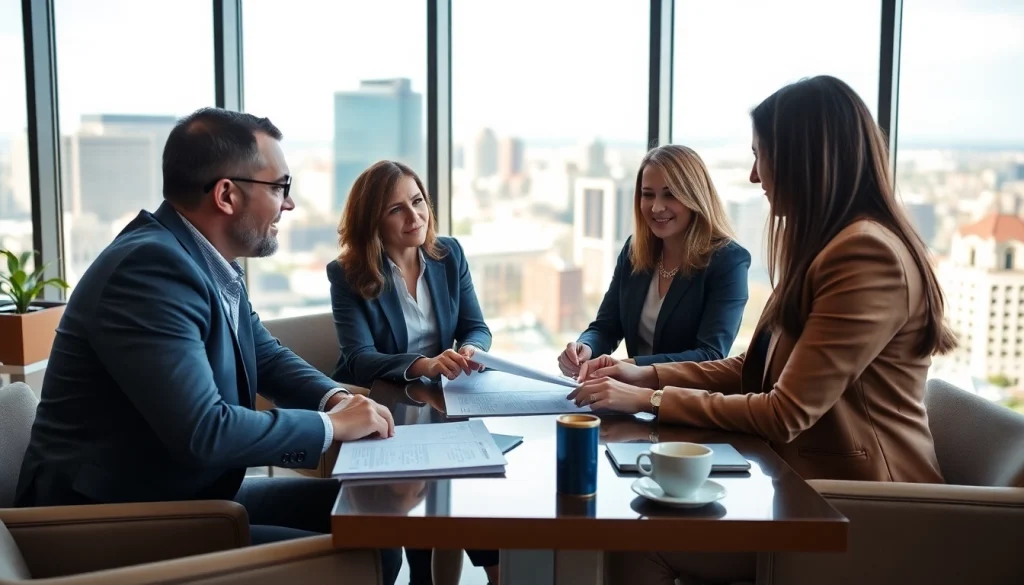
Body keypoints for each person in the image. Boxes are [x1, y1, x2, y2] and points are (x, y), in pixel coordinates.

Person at [570, 76, 956, 584]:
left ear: (804, 157)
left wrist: (649, 399)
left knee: (635, 544)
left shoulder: (865, 254)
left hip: (864, 507)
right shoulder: (826, 246)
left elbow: (785, 412)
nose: (754, 176)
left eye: (761, 155)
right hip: (810, 490)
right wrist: (641, 379)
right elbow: (752, 368)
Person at [14, 108, 402, 585]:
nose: (290, 204)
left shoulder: (203, 261)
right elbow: (204, 431)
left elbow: (263, 352)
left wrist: (337, 399)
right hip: (108, 523)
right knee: (371, 552)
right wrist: (330, 427)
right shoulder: (150, 269)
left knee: (375, 518)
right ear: (226, 194)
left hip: (174, 495)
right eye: (280, 186)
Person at [326, 160, 499, 585]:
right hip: (386, 407)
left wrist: (471, 349)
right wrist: (422, 364)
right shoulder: (347, 273)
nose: (415, 216)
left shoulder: (448, 254)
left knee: (472, 488)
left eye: (417, 201)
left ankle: (492, 568)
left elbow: (475, 325)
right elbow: (359, 357)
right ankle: (422, 572)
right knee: (414, 492)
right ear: (373, 221)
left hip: (445, 400)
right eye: (396, 209)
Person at [557, 145, 750, 379]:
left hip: (685, 405)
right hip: (628, 401)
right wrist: (585, 348)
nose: (656, 207)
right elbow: (606, 327)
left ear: (695, 196)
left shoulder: (728, 261)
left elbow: (710, 356)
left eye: (670, 194)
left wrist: (631, 366)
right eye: (648, 194)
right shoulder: (634, 250)